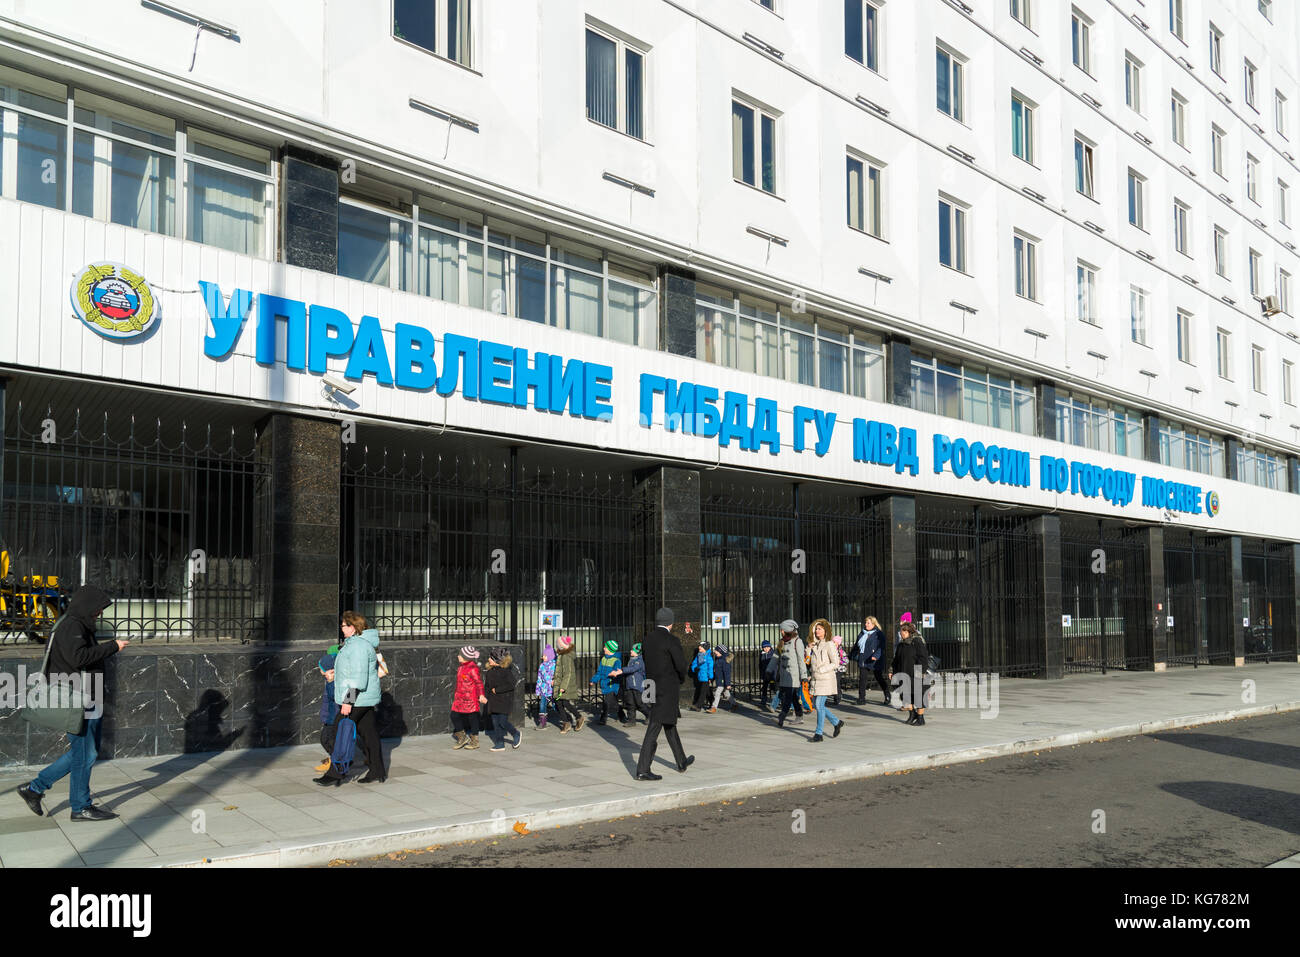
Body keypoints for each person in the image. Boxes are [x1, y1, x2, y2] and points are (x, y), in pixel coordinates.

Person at [17, 586, 126, 821]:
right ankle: (80, 807)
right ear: (87, 606)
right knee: (85, 755)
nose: (98, 614)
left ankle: (34, 789)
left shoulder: (75, 623)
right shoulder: (72, 626)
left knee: (84, 752)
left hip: (86, 696)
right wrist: (113, 646)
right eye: (97, 609)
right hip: (78, 700)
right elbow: (79, 658)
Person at [316, 613, 386, 784]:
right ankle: (377, 771)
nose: (342, 628)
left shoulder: (358, 647)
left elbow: (358, 677)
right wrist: (334, 677)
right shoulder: (354, 644)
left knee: (338, 730)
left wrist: (348, 701)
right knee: (369, 735)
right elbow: (350, 671)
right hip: (363, 698)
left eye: (344, 625)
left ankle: (336, 773)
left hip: (358, 698)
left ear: (353, 627)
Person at [634, 607, 694, 781]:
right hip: (666, 688)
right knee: (655, 725)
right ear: (671, 623)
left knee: (669, 723)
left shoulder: (647, 639)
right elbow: (681, 665)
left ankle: (681, 760)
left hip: (650, 685)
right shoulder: (671, 640)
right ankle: (642, 769)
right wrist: (681, 678)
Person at [808, 619, 845, 742]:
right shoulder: (815, 644)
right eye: (816, 629)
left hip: (826, 679)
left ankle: (818, 734)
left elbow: (836, 663)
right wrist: (809, 648)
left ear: (825, 631)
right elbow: (809, 661)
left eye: (819, 629)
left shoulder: (829, 644)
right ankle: (836, 722)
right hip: (816, 679)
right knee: (817, 705)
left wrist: (823, 669)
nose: (817, 631)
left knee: (818, 705)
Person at [484, 647, 523, 752]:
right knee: (495, 723)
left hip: (504, 701)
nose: (488, 659)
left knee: (502, 722)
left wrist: (497, 690)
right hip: (493, 701)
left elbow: (511, 684)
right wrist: (484, 696)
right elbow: (487, 686)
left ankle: (516, 734)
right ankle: (500, 743)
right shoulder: (489, 672)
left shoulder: (505, 672)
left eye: (490, 658)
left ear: (496, 660)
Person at [450, 646, 487, 750]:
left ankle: (475, 741)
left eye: (460, 655)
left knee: (473, 718)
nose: (458, 656)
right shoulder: (461, 667)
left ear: (465, 657)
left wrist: (481, 695)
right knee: (454, 715)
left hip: (470, 699)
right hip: (460, 698)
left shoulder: (472, 668)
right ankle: (462, 738)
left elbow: (479, 683)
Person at [775, 618, 807, 728]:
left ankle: (782, 716)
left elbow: (801, 660)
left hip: (793, 676)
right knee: (793, 696)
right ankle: (799, 716)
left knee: (787, 697)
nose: (781, 631)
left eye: (782, 630)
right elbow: (776, 656)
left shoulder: (798, 642)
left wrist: (804, 676)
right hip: (784, 675)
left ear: (788, 630)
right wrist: (769, 670)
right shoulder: (782, 641)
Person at [551, 635, 585, 733]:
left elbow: (568, 673)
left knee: (564, 702)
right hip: (559, 682)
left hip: (565, 684)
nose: (557, 645)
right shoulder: (562, 655)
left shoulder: (566, 656)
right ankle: (566, 723)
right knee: (558, 703)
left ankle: (579, 717)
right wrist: (554, 679)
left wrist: (563, 687)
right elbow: (559, 670)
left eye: (558, 643)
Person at [315, 643, 340, 773]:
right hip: (330, 717)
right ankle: (336, 760)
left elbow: (334, 698)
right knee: (328, 739)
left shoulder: (336, 681)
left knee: (327, 739)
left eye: (324, 671)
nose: (323, 674)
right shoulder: (331, 679)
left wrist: (331, 682)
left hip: (334, 717)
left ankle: (338, 761)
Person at [891, 623, 923, 725]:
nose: (902, 633)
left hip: (915, 673)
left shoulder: (916, 642)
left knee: (917, 696)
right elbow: (896, 659)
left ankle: (921, 718)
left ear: (910, 632)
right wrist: (892, 671)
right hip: (903, 673)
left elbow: (923, 658)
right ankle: (912, 714)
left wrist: (920, 672)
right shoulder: (901, 644)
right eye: (901, 631)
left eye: (904, 631)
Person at [611, 643, 649, 727]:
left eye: (632, 650)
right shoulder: (631, 660)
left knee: (639, 703)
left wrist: (622, 670)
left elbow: (633, 669)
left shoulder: (639, 661)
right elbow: (629, 671)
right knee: (630, 703)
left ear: (637, 652)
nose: (630, 651)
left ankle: (649, 715)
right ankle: (631, 720)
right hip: (629, 686)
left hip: (637, 686)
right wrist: (619, 673)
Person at [855, 616, 889, 705]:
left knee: (879, 677)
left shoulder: (879, 633)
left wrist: (876, 655)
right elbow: (856, 645)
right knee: (862, 678)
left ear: (873, 624)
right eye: (865, 622)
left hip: (875, 659)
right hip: (864, 658)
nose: (866, 624)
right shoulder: (862, 633)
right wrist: (852, 654)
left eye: (868, 623)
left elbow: (882, 646)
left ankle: (887, 694)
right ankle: (861, 698)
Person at [591, 640, 624, 726]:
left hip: (612, 685)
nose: (604, 648)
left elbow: (618, 673)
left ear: (610, 649)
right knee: (613, 703)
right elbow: (599, 672)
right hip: (604, 684)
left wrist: (613, 675)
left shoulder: (616, 660)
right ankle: (621, 713)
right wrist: (593, 680)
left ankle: (603, 718)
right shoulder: (603, 659)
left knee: (606, 702)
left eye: (605, 647)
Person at [535, 644, 556, 730]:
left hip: (552, 689)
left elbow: (556, 676)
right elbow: (539, 678)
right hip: (544, 689)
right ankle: (542, 723)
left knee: (557, 705)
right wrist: (538, 688)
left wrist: (554, 681)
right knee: (542, 705)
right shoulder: (542, 666)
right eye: (543, 655)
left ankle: (566, 718)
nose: (542, 657)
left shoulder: (554, 665)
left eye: (544, 656)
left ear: (550, 656)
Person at [689, 641, 714, 711]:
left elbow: (710, 668)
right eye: (699, 646)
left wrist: (710, 677)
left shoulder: (709, 657)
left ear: (705, 648)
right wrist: (694, 668)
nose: (699, 647)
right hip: (700, 676)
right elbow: (694, 663)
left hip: (706, 677)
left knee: (703, 692)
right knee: (707, 691)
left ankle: (698, 706)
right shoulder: (698, 655)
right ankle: (712, 700)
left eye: (701, 646)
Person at [710, 645, 735, 712]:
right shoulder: (718, 659)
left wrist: (728, 684)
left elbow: (727, 674)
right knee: (727, 693)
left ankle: (714, 707)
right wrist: (712, 679)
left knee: (717, 693)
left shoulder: (725, 661)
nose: (715, 652)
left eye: (716, 651)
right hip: (719, 680)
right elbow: (716, 671)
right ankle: (734, 704)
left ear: (721, 652)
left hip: (723, 681)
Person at [758, 639, 776, 712]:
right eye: (764, 647)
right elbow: (760, 665)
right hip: (765, 675)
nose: (766, 649)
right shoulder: (762, 654)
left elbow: (775, 665)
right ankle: (763, 701)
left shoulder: (773, 653)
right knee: (764, 688)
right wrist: (762, 674)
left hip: (771, 675)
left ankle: (777, 701)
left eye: (767, 647)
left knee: (774, 688)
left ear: (770, 647)